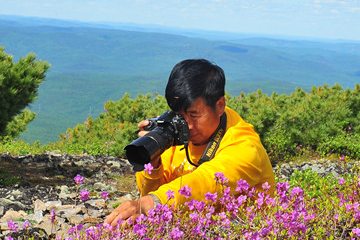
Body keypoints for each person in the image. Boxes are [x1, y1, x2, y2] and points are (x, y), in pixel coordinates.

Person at [104, 58, 274, 226]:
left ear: (220, 105)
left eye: (194, 115)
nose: (187, 126)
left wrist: (152, 202)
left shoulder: (245, 146)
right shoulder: (176, 129)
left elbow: (209, 179)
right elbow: (148, 193)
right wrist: (153, 162)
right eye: (179, 115)